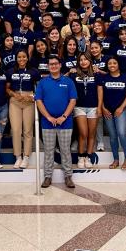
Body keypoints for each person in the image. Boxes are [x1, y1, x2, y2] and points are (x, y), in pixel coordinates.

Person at [36, 55, 78, 188]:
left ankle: (68, 177)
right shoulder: (42, 82)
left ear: (60, 65)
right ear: (48, 67)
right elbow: (38, 101)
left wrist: (63, 117)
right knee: (48, 151)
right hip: (47, 123)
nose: (53, 66)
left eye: (55, 64)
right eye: (51, 64)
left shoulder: (68, 81)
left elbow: (73, 100)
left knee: (65, 150)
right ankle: (47, 177)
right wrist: (48, 117)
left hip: (65, 122)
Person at [97, 56, 126, 169]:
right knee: (112, 136)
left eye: (114, 63)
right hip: (107, 111)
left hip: (121, 110)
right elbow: (100, 95)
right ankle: (116, 159)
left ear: (118, 65)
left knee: (121, 133)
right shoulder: (104, 78)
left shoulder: (125, 77)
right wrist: (103, 108)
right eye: (110, 64)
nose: (112, 65)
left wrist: (121, 107)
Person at [6, 50, 40, 169]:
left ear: (27, 58)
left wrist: (32, 97)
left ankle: (26, 156)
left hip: (28, 100)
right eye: (19, 57)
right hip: (15, 100)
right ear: (16, 58)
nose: (21, 59)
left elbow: (39, 88)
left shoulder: (34, 71)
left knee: (27, 130)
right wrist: (14, 95)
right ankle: (17, 157)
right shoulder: (10, 71)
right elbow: (7, 89)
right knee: (15, 130)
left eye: (24, 57)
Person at [71, 53, 100, 169]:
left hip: (93, 107)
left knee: (91, 134)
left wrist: (99, 106)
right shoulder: (74, 75)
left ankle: (88, 156)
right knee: (83, 133)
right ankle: (80, 156)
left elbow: (100, 91)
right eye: (81, 60)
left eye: (86, 59)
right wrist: (69, 71)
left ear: (90, 61)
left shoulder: (97, 74)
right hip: (79, 107)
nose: (83, 62)